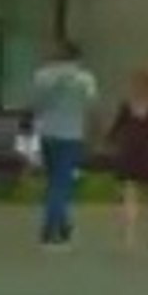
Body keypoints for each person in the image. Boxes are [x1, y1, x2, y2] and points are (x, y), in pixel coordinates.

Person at [29, 39, 98, 251]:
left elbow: (35, 104)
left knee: (54, 182)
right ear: (77, 58)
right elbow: (91, 105)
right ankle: (50, 231)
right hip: (70, 135)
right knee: (62, 183)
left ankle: (63, 224)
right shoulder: (84, 78)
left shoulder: (42, 76)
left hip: (47, 134)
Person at [107, 66, 148, 254]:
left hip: (130, 154)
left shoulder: (127, 106)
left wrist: (115, 146)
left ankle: (129, 240)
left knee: (130, 195)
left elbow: (114, 131)